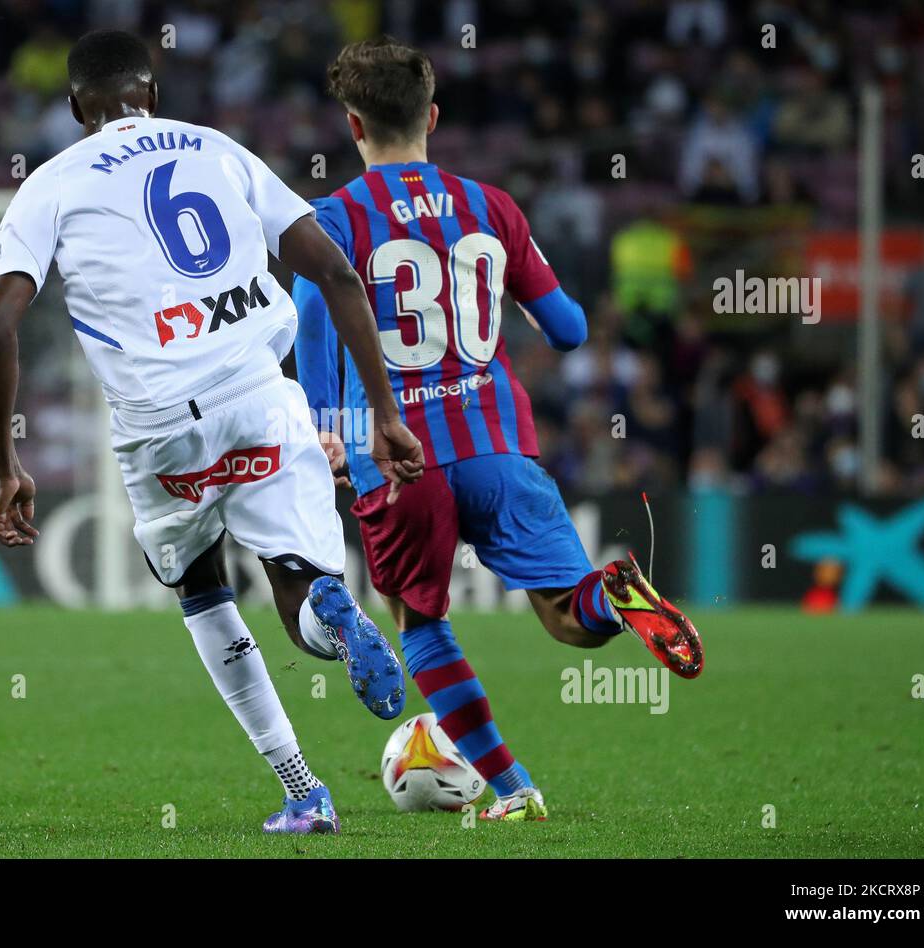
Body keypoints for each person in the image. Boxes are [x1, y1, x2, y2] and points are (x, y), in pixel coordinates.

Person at [0, 30, 425, 835]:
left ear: (77, 107)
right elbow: (336, 272)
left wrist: (7, 465)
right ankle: (331, 611)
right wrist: (385, 416)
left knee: (202, 590)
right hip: (261, 391)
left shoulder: (49, 185)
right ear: (152, 95)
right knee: (298, 588)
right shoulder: (221, 150)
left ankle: (304, 792)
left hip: (159, 426)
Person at [293, 38, 705, 823]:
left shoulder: (331, 219)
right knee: (567, 615)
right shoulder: (493, 206)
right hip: (497, 441)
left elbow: (315, 326)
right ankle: (617, 597)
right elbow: (570, 330)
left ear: (353, 126)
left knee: (420, 620)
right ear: (433, 118)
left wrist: (327, 429)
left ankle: (514, 790)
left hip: (398, 455)